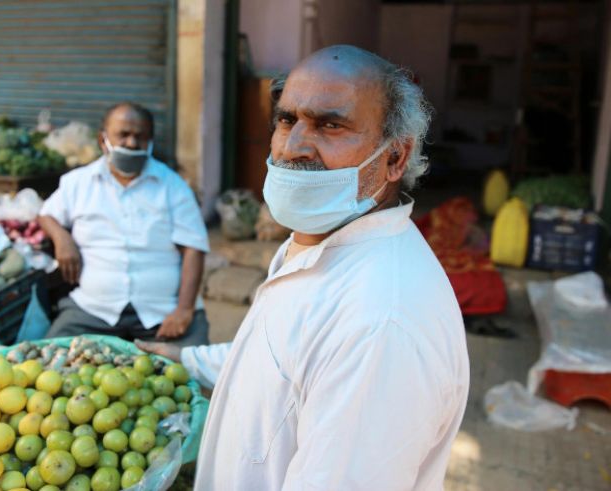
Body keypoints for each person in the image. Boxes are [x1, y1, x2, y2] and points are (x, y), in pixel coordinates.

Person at [136, 45, 470, 490]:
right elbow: (280, 362)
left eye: (331, 125)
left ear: (395, 158)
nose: (292, 147)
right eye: (287, 119)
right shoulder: (318, 242)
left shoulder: (382, 324)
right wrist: (184, 360)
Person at [38, 102, 210, 347]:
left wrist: (183, 310)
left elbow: (194, 248)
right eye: (123, 135)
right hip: (93, 309)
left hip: (161, 311)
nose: (131, 143)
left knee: (192, 374)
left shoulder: (174, 187)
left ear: (150, 142)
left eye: (139, 137)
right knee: (48, 362)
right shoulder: (77, 183)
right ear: (103, 140)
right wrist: (62, 239)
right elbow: (46, 214)